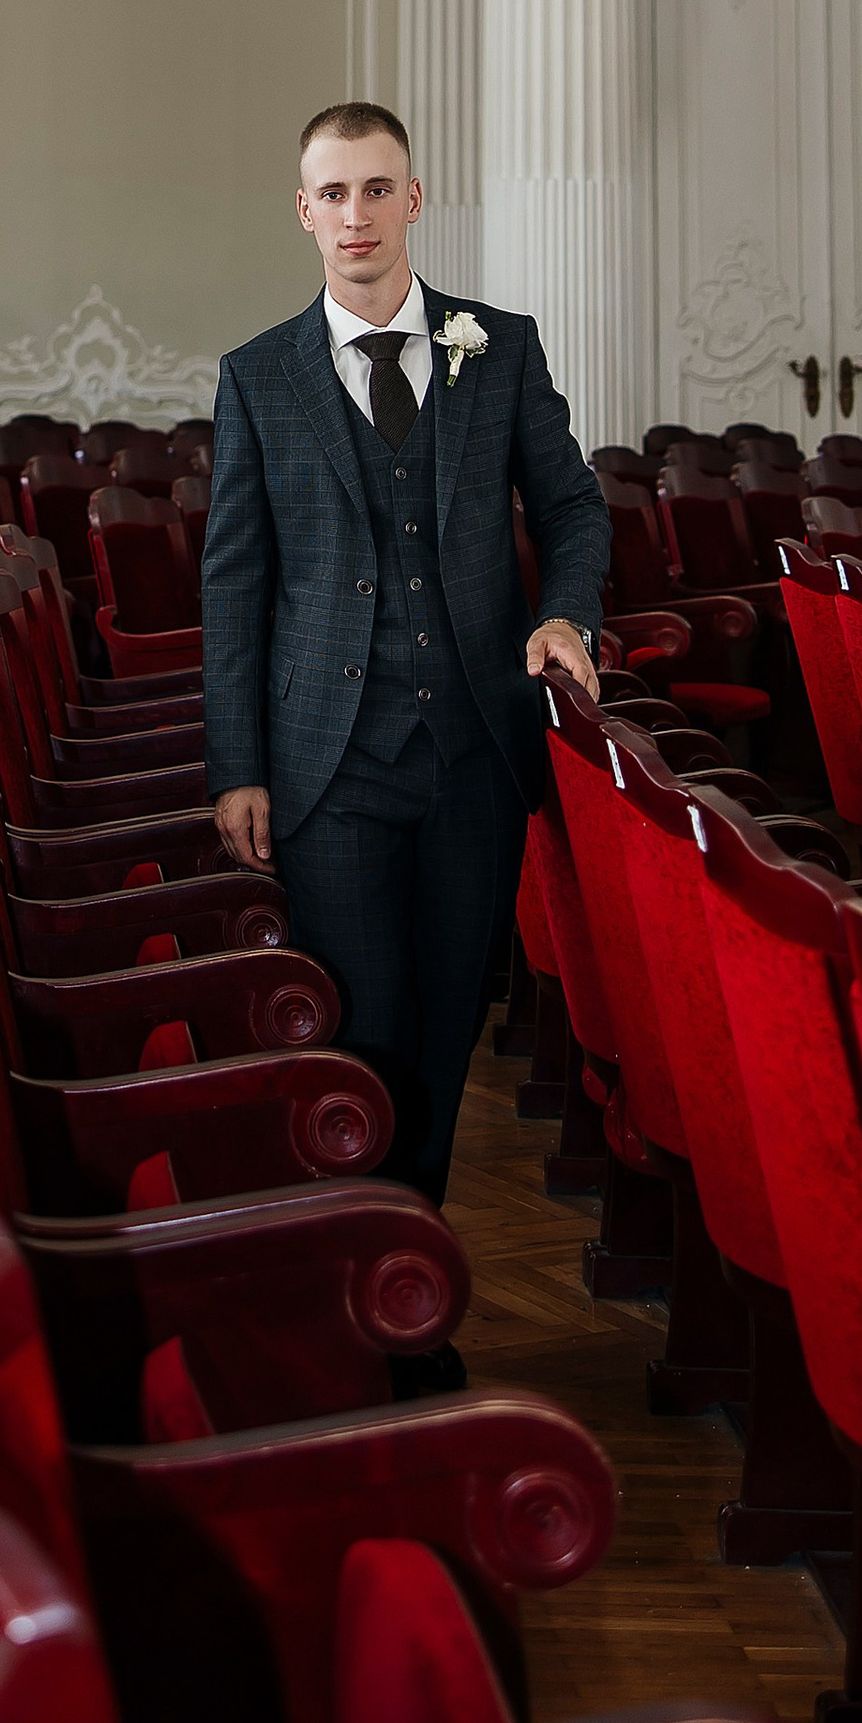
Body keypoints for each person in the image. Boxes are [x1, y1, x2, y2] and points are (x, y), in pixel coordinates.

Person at [203, 99, 608, 1308]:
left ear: (415, 201)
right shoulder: (257, 376)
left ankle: (404, 1274)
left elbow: (574, 510)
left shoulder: (503, 346)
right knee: (367, 1032)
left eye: (378, 189)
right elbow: (233, 582)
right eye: (333, 193)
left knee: (445, 1036)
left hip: (477, 751)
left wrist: (565, 617)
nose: (357, 214)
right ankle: (360, 1278)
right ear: (304, 212)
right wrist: (237, 764)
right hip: (328, 762)